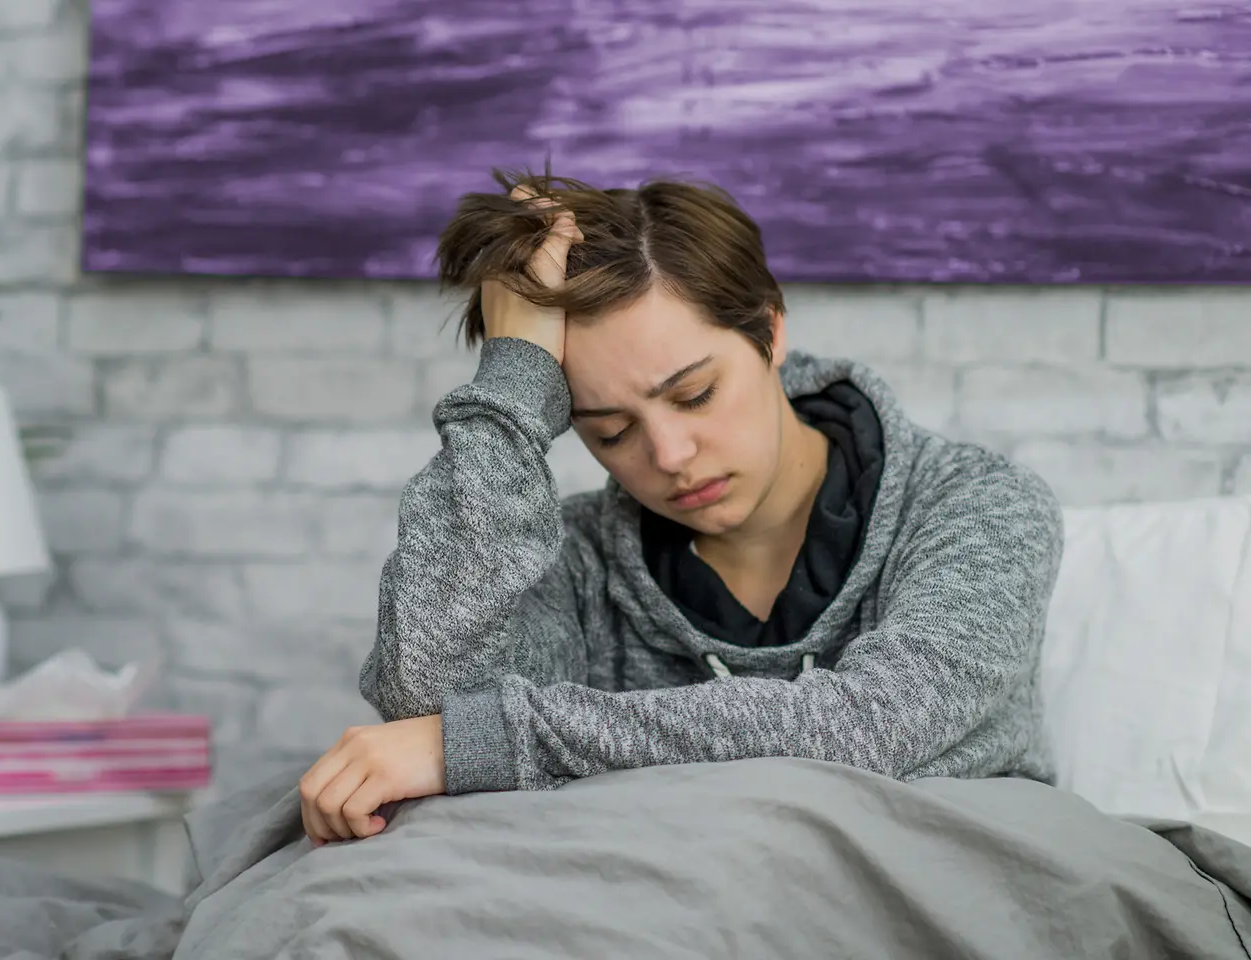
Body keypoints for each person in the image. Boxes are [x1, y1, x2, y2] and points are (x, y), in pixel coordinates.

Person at [298, 170, 1064, 847]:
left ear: (769, 332)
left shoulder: (977, 505)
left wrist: (500, 739)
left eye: (694, 395)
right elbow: (429, 707)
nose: (667, 456)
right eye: (611, 430)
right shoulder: (579, 560)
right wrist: (509, 393)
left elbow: (869, 725)